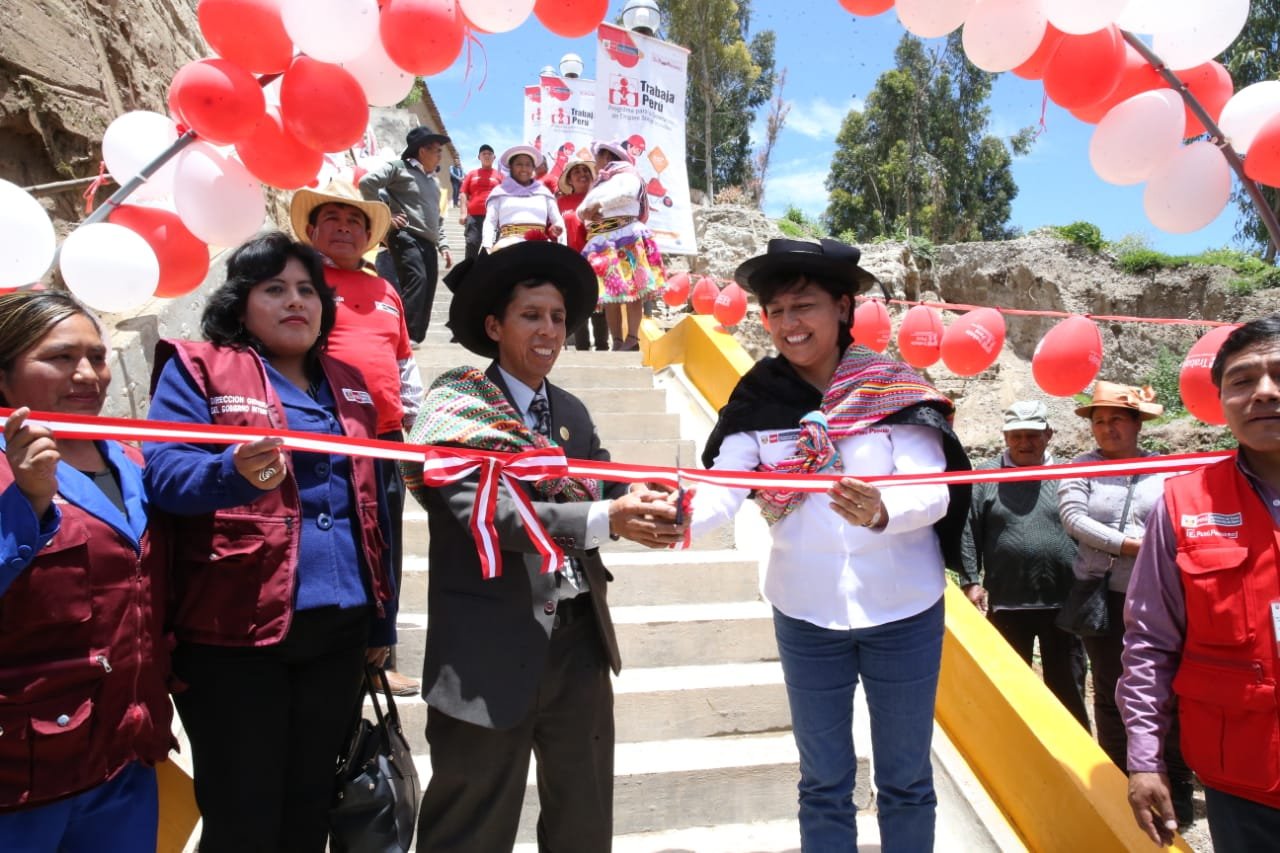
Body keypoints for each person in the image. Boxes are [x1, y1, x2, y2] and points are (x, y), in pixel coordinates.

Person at [685, 238, 971, 852]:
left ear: (843, 308)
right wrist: (675, 519)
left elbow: (934, 491)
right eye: (776, 311)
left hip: (905, 613)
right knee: (822, 781)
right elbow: (724, 487)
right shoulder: (758, 398)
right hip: (805, 612)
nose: (789, 324)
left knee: (906, 780)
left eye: (804, 306)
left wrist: (883, 510)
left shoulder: (890, 387)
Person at [400, 240, 687, 852]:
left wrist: (649, 494)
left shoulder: (572, 414)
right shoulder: (454, 409)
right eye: (532, 315)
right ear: (494, 326)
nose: (549, 330)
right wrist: (607, 516)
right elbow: (489, 512)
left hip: (578, 647)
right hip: (486, 651)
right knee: (469, 829)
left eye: (558, 318)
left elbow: (606, 477)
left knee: (582, 822)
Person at [144, 233, 396, 853]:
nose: (296, 302)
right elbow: (163, 475)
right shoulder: (198, 366)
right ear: (240, 303)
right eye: (274, 288)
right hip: (234, 636)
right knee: (243, 816)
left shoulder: (353, 384)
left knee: (310, 806)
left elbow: (378, 502)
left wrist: (381, 623)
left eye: (308, 290)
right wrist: (231, 473)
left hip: (338, 632)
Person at [0, 292, 172, 852]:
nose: (86, 375)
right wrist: (24, 502)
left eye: (97, 357)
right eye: (58, 357)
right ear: (4, 377)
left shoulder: (130, 458)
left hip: (124, 757)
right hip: (23, 778)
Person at [1120, 316, 1280, 849]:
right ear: (1220, 399)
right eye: (1242, 380)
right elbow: (1149, 640)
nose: (1264, 392)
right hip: (1242, 778)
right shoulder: (1184, 504)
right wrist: (1145, 760)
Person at [290, 178, 424, 696]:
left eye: (354, 222)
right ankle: (339, 653)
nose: (344, 229)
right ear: (311, 230)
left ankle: (381, 653)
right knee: (342, 544)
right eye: (333, 220)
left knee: (386, 542)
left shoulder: (385, 289)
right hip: (331, 436)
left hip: (386, 436)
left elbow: (402, 359)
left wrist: (415, 414)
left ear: (368, 237)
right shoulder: (302, 282)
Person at [1057, 381, 1194, 825]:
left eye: (1116, 418)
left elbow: (1181, 518)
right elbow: (1073, 518)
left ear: (1137, 423)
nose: (1107, 427)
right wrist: (1132, 546)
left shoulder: (1166, 470)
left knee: (1168, 689)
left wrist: (1154, 551)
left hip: (1161, 596)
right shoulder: (1079, 468)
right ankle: (1120, 788)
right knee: (1113, 690)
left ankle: (1177, 789)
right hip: (1104, 595)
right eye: (1099, 420)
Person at [958, 400, 1090, 728]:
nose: (1024, 443)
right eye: (1016, 435)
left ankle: (1074, 767)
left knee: (1068, 689)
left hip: (1064, 603)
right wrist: (971, 580)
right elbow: (967, 530)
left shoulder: (1068, 474)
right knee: (1008, 689)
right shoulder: (985, 477)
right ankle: (1014, 762)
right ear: (1005, 436)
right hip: (1006, 603)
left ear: (1048, 434)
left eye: (1032, 435)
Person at [358, 126, 454, 343]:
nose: (440, 154)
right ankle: (403, 336)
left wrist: (444, 245)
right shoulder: (398, 167)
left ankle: (415, 339)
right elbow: (367, 183)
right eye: (437, 150)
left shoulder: (434, 182)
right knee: (416, 280)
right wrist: (386, 215)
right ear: (422, 151)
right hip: (405, 236)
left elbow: (436, 219)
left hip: (428, 242)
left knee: (428, 287)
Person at [578, 140, 667, 351]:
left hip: (626, 235)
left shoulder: (628, 174)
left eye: (597, 158)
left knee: (632, 290)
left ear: (607, 157)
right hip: (603, 240)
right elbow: (581, 208)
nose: (595, 163)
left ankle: (632, 337)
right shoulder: (599, 183)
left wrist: (599, 204)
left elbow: (626, 194)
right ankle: (616, 340)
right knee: (610, 294)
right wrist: (586, 212)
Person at [557, 153, 608, 351]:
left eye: (585, 171)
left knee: (599, 304)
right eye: (576, 172)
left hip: (598, 259)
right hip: (571, 260)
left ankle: (603, 348)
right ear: (569, 179)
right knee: (578, 305)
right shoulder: (560, 202)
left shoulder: (600, 198)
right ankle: (582, 349)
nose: (582, 174)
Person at [479, 144, 565, 251]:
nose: (524, 168)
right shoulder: (499, 192)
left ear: (533, 168)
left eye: (528, 164)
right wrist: (487, 246)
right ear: (511, 167)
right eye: (519, 164)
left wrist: (559, 233)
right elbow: (490, 222)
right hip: (507, 247)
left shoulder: (544, 193)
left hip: (541, 247)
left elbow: (558, 220)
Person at [458, 144, 502, 261]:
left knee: (492, 249)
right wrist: (463, 213)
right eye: (484, 154)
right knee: (472, 244)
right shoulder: (471, 174)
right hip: (474, 217)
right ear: (479, 157)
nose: (487, 156)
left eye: (489, 154)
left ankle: (489, 276)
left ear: (494, 157)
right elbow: (463, 193)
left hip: (494, 218)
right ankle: (468, 275)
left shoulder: (500, 176)